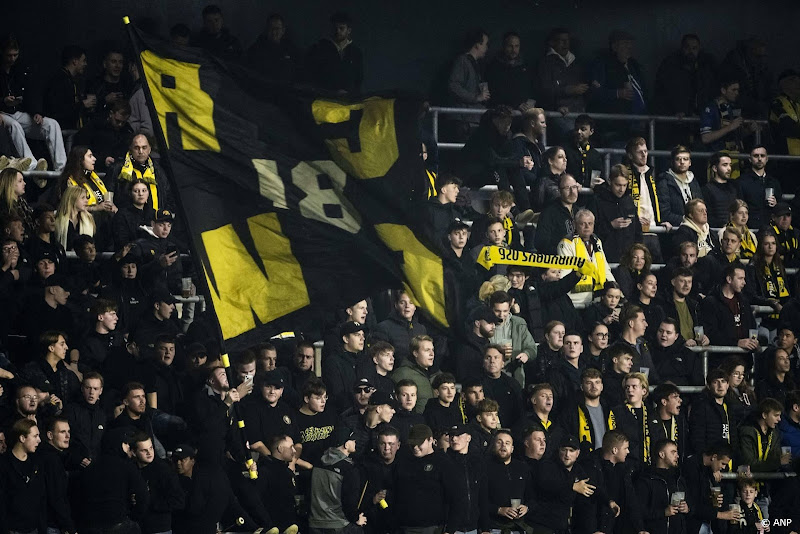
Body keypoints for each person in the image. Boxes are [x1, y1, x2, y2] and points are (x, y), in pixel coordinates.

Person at [0, 36, 66, 171]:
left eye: (15, 55)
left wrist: (36, 112)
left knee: (52, 125)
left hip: (18, 111)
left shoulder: (21, 68)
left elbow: (31, 91)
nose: (12, 59)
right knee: (14, 126)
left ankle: (62, 169)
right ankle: (32, 165)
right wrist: (3, 101)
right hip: (2, 114)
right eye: (9, 55)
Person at [530, 434, 597, 533]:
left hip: (564, 526)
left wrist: (608, 501)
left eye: (571, 450)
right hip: (543, 524)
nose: (567, 454)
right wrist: (572, 486)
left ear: (578, 453)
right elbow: (547, 484)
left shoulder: (577, 469)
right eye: (564, 450)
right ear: (558, 450)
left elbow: (591, 487)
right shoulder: (547, 465)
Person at [589, 30, 647, 140]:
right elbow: (595, 93)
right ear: (614, 46)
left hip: (638, 124)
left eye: (630, 43)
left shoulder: (634, 66)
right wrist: (617, 93)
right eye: (625, 43)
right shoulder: (602, 64)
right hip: (614, 125)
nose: (629, 47)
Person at [700, 263, 759, 366]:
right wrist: (737, 343)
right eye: (740, 278)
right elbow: (711, 333)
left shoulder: (744, 302)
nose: (744, 282)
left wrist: (754, 341)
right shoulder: (711, 302)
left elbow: (752, 326)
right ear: (729, 279)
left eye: (744, 279)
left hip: (744, 360)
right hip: (721, 361)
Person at [557, 208, 616, 308]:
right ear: (575, 224)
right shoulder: (567, 243)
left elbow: (605, 268)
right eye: (582, 224)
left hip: (597, 297)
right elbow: (564, 273)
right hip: (575, 300)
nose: (587, 227)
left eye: (590, 223)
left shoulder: (597, 241)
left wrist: (615, 288)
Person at [700, 76, 756, 179]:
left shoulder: (733, 108)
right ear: (723, 90)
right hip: (718, 160)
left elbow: (735, 136)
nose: (736, 93)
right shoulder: (711, 108)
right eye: (733, 90)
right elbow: (706, 138)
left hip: (735, 160)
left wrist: (749, 130)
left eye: (738, 90)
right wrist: (730, 127)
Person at [131, 431, 185, 534]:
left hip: (159, 528)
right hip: (138, 527)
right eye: (144, 450)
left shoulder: (163, 470)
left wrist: (148, 501)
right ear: (134, 452)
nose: (149, 453)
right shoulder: (131, 469)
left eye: (151, 448)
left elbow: (179, 501)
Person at [654, 34, 718, 120]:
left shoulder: (705, 68)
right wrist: (676, 111)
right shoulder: (670, 67)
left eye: (694, 48)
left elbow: (709, 93)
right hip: (676, 118)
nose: (690, 51)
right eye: (687, 48)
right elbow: (663, 94)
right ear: (682, 48)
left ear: (699, 49)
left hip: (699, 118)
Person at [0, 419, 46, 534]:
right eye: (35, 436)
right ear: (22, 438)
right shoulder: (4, 464)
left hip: (34, 528)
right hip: (12, 529)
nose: (39, 440)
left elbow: (41, 498)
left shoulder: (36, 464)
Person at [681, 441, 737, 533]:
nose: (723, 468)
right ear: (714, 457)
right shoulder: (691, 467)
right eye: (723, 463)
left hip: (705, 522)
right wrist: (721, 515)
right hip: (693, 524)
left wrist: (712, 498)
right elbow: (693, 502)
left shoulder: (709, 469)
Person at [634, 440, 688, 534]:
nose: (677, 456)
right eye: (673, 452)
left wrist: (687, 508)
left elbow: (691, 502)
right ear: (662, 455)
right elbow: (638, 511)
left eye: (677, 452)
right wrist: (663, 512)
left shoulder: (679, 478)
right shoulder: (646, 480)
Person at [110, 132, 174, 212]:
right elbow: (107, 194)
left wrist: (167, 211)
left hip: (156, 218)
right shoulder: (118, 168)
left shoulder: (158, 169)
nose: (140, 151)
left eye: (144, 148)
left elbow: (169, 195)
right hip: (126, 218)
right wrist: (117, 213)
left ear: (149, 149)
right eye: (136, 148)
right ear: (130, 149)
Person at [485, 428, 533, 532]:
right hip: (494, 527)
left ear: (512, 448)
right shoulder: (485, 468)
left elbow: (532, 495)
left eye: (507, 443)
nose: (503, 446)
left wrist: (526, 507)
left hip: (519, 527)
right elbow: (479, 499)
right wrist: (499, 510)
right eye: (499, 442)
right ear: (493, 446)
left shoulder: (522, 468)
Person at [446, 423, 490, 534]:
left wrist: (485, 528)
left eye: (458, 435)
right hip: (450, 528)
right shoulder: (444, 462)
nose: (454, 438)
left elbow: (483, 496)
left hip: (473, 528)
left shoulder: (478, 462)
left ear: (469, 438)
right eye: (451, 435)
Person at [593, 163, 643, 262]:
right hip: (604, 257)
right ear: (609, 181)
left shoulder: (629, 201)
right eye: (618, 185)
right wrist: (610, 225)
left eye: (624, 185)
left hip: (628, 258)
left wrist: (637, 250)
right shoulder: (598, 201)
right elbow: (591, 231)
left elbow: (637, 230)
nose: (621, 189)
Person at [624, 137, 670, 244]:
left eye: (645, 151)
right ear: (630, 155)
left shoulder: (651, 174)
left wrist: (660, 221)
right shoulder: (625, 175)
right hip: (634, 233)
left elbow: (655, 203)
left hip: (653, 231)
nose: (644, 155)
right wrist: (634, 219)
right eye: (639, 152)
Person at [447, 28, 490, 138]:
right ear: (477, 45)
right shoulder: (462, 61)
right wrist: (476, 97)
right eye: (485, 44)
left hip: (473, 118)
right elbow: (453, 86)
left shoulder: (475, 64)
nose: (486, 48)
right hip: (463, 119)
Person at [306, 12, 363, 94]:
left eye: (341, 28)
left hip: (348, 99)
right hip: (324, 98)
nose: (337, 31)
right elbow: (312, 76)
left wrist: (351, 94)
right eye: (334, 28)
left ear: (349, 30)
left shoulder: (356, 52)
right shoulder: (318, 49)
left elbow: (358, 79)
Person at [559, 367, 612, 455]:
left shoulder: (609, 409)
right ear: (582, 387)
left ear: (602, 386)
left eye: (597, 382)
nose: (594, 386)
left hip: (607, 457)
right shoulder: (572, 411)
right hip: (585, 458)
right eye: (589, 383)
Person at [488, 290, 537, 384]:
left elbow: (532, 348)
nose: (501, 315)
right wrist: (499, 350)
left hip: (514, 377)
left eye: (505, 311)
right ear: (491, 308)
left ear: (510, 308)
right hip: (490, 376)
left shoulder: (518, 323)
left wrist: (526, 354)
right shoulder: (485, 324)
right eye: (497, 311)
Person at [747, 228, 790, 334]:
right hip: (761, 318)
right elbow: (751, 295)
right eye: (766, 244)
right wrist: (772, 303)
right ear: (761, 246)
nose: (771, 247)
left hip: (779, 319)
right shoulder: (753, 266)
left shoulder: (780, 266)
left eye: (773, 243)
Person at [43, 44, 93, 131]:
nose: (86, 64)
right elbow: (59, 109)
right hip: (60, 129)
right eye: (83, 60)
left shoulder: (69, 79)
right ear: (75, 61)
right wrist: (83, 104)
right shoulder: (60, 80)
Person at [689, 368, 738, 456]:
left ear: (728, 385)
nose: (720, 386)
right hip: (710, 459)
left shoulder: (730, 406)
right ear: (708, 386)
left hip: (728, 459)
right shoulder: (700, 406)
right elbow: (697, 437)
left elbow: (733, 436)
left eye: (723, 381)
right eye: (715, 382)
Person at [257, 435, 300, 534]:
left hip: (289, 526)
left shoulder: (288, 472)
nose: (294, 451)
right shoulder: (264, 471)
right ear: (280, 448)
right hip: (272, 527)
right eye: (291, 447)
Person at [64, 372, 107, 465]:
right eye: (88, 388)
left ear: (101, 391)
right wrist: (77, 459)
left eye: (95, 389)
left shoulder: (102, 415)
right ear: (82, 388)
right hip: (74, 465)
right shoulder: (71, 410)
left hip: (96, 466)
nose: (91, 392)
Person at [373, 290, 427, 364]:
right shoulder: (384, 328)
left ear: (415, 306)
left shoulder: (421, 329)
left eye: (411, 302)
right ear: (396, 305)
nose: (407, 306)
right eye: (402, 302)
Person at [608, 372, 651, 465]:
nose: (630, 390)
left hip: (648, 466)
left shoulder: (651, 413)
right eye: (627, 387)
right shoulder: (617, 412)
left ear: (644, 391)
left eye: (634, 386)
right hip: (625, 464)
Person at [485, 31, 535, 110]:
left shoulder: (526, 66)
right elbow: (495, 92)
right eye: (510, 46)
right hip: (501, 112)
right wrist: (516, 104)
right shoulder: (494, 67)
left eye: (516, 46)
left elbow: (531, 89)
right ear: (504, 46)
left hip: (524, 112)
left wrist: (530, 102)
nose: (513, 50)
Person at [657, 145, 704, 227]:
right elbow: (664, 213)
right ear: (672, 162)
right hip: (677, 229)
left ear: (690, 162)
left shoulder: (693, 181)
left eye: (685, 159)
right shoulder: (664, 182)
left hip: (695, 227)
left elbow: (701, 206)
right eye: (678, 159)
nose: (682, 162)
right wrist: (687, 221)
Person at [246, 13, 301, 83]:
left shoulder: (290, 47)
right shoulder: (256, 48)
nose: (274, 32)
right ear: (266, 30)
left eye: (277, 29)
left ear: (283, 31)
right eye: (271, 29)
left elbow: (298, 68)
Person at [480, 345, 524, 427]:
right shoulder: (477, 384)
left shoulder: (513, 384)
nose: (492, 361)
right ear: (483, 362)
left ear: (503, 363)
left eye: (496, 358)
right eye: (488, 357)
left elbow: (520, 412)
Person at [739, 145, 781, 230]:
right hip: (749, 229)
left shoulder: (774, 182)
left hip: (770, 229)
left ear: (767, 159)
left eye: (762, 155)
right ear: (750, 159)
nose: (759, 159)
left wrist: (776, 204)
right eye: (756, 156)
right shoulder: (741, 181)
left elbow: (781, 207)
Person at [534, 173, 578, 253]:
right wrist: (562, 252)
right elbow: (541, 243)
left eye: (574, 187)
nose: (572, 192)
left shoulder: (578, 212)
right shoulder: (549, 213)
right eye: (567, 188)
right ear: (559, 191)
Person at [652, 319, 703, 386]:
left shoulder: (687, 354)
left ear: (676, 336)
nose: (663, 335)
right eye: (661, 331)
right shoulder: (648, 352)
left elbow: (698, 381)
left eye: (668, 332)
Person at [649, 383, 688, 462]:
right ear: (664, 402)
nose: (680, 400)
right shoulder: (649, 420)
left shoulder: (681, 420)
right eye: (675, 397)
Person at [563, 114, 603, 188]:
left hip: (589, 193)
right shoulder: (566, 151)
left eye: (583, 129)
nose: (579, 132)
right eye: (576, 129)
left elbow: (597, 178)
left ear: (591, 131)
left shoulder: (595, 155)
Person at [54, 185, 95, 251]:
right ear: (72, 199)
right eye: (83, 198)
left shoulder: (89, 220)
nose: (87, 201)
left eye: (86, 197)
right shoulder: (56, 220)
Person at [769, 69, 800, 156]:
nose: (798, 83)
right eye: (792, 80)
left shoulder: (797, 105)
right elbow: (788, 127)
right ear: (783, 84)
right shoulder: (777, 104)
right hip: (785, 157)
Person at [531, 145, 566, 212]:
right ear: (550, 161)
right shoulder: (542, 181)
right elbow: (538, 206)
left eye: (565, 157)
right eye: (560, 157)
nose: (565, 160)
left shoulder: (566, 181)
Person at [770, 202, 800, 267]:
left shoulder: (796, 233)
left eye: (788, 215)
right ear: (773, 217)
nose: (785, 219)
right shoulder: (768, 232)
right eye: (781, 215)